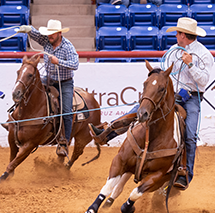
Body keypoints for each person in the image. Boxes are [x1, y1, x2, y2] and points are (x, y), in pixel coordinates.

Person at [90, 17, 214, 190]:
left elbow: (203, 81)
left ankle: (184, 173)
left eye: (178, 33)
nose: (176, 36)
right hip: (172, 94)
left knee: (191, 135)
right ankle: (107, 133)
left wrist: (190, 64)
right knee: (140, 108)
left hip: (192, 98)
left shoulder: (203, 54)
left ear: (184, 35)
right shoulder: (174, 50)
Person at [18, 20, 79, 157]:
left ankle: (64, 142)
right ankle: (16, 121)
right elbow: (36, 35)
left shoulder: (68, 47)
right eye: (48, 34)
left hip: (64, 82)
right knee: (28, 90)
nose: (49, 36)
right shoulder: (47, 41)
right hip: (49, 79)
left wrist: (59, 62)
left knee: (67, 111)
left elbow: (75, 64)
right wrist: (28, 29)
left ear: (59, 33)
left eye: (52, 34)